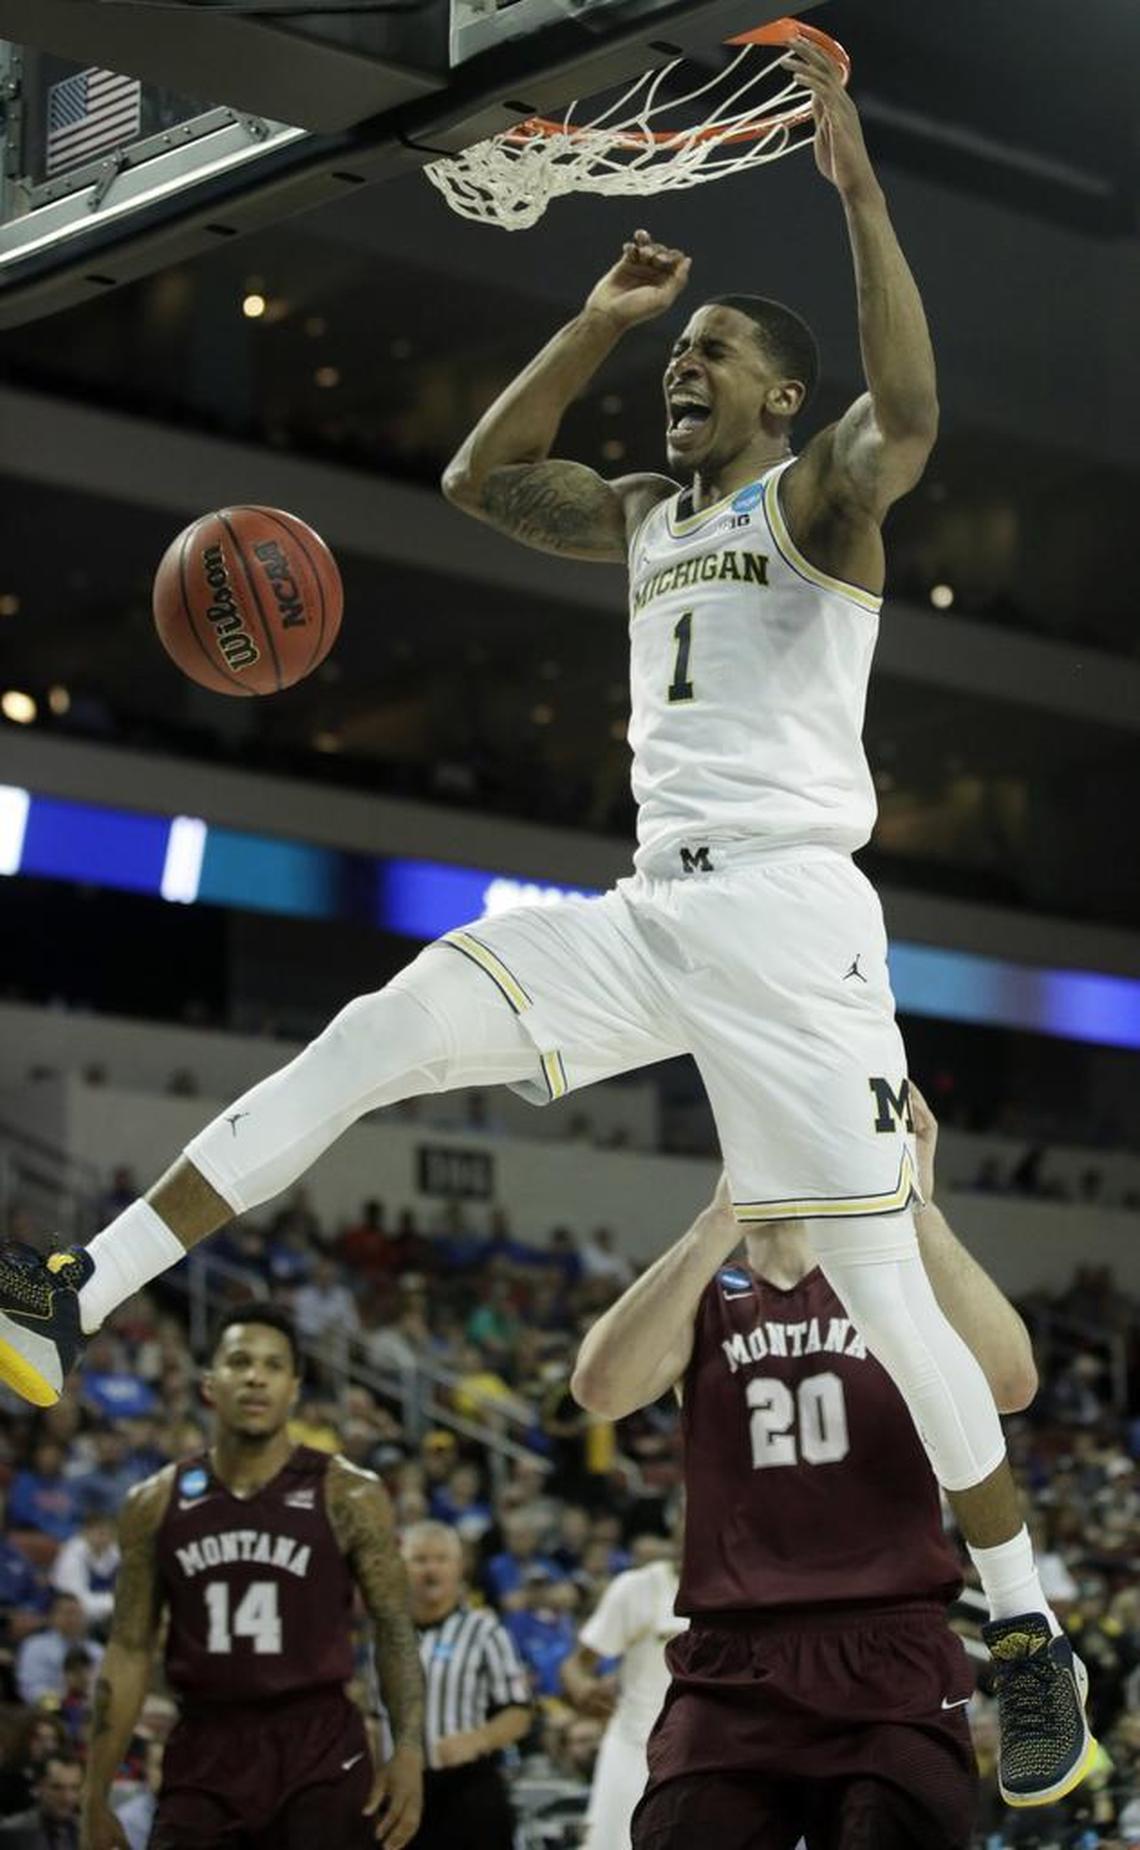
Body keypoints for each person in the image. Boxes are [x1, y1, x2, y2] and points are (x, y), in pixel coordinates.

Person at [0, 33, 1085, 1808]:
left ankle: (1029, 1633)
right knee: (374, 1034)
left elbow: (916, 419)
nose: (683, 374)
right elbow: (478, 489)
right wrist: (594, 319)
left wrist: (864, 195)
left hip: (802, 926)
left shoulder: (817, 505)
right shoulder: (653, 510)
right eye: (677, 359)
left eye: (710, 357)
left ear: (778, 401)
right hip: (653, 915)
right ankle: (78, 1282)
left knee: (890, 1294)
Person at [571, 1086, 1036, 1849]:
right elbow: (599, 1389)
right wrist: (715, 1223)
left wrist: (918, 1206)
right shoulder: (704, 1299)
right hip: (734, 1661)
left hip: (887, 1649)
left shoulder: (898, 1288)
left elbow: (1012, 1380)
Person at [79, 1306, 424, 1850]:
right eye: (239, 1362)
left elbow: (395, 1628)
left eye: (273, 1365)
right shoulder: (154, 1503)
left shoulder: (350, 1494)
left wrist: (408, 1750)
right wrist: (94, 1794)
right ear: (210, 1383)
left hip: (319, 1744)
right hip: (205, 1746)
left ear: (294, 1387)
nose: (256, 1376)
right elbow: (127, 1648)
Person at [402, 1521, 533, 1850]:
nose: (430, 1569)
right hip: (400, 1792)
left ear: (459, 1568)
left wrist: (478, 1739)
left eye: (441, 1559)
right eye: (420, 1560)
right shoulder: (384, 1634)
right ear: (401, 1567)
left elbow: (518, 1712)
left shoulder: (486, 1632)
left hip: (466, 1790)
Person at [562, 1540, 685, 1850]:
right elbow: (576, 1664)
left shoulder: (740, 1590)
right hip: (634, 1746)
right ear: (674, 1525)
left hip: (706, 1754)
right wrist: (583, 1689)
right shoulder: (637, 1587)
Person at [15, 1594, 105, 1708]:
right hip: (47, 1712)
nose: (74, 1619)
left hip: (90, 1711)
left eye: (78, 1614)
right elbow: (30, 1689)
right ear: (52, 1617)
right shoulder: (35, 1647)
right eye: (68, 1613)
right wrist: (61, 1703)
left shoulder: (97, 1651)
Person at [0, 1754, 82, 1849]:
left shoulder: (85, 1831)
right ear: (39, 1788)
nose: (67, 1798)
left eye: (75, 1788)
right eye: (57, 1787)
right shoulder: (10, 1832)